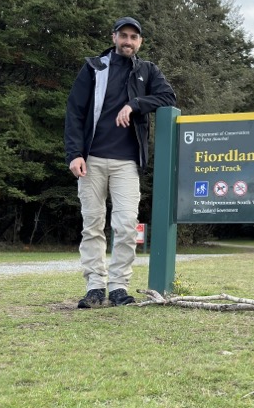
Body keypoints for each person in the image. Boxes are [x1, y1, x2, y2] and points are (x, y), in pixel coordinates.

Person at [64, 16, 177, 308]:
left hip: (127, 162)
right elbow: (75, 112)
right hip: (91, 160)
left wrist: (135, 104)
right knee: (92, 225)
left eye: (133, 37)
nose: (128, 41)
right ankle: (94, 287)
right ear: (114, 37)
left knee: (127, 225)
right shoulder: (94, 67)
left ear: (140, 42)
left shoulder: (147, 71)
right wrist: (74, 153)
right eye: (123, 35)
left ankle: (118, 287)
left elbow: (168, 97)